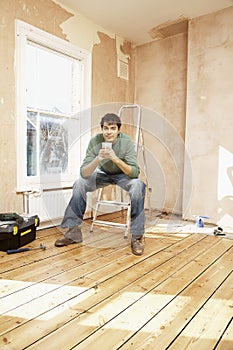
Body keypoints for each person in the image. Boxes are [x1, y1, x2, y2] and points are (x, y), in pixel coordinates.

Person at [55, 113, 146, 255]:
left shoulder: (126, 142)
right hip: (103, 174)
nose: (109, 132)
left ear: (118, 130)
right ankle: (73, 233)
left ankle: (137, 237)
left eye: (113, 128)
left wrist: (115, 159)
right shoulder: (95, 141)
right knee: (79, 183)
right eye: (105, 128)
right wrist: (98, 159)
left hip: (122, 175)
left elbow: (134, 173)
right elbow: (84, 173)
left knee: (138, 185)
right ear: (102, 129)